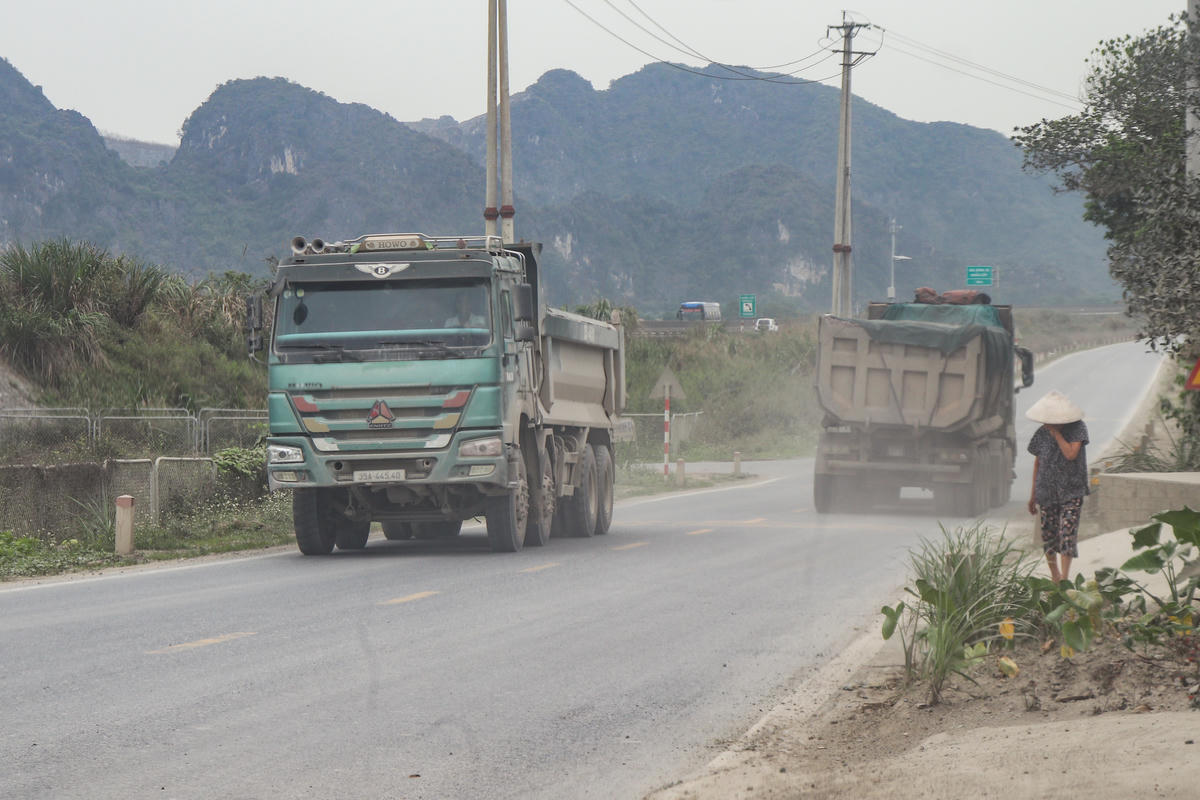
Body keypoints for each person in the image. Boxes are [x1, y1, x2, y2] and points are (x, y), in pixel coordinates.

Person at [1026, 390, 1089, 583]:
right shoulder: (1041, 433)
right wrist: (1033, 495)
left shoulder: (1078, 429)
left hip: (1072, 490)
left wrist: (1056, 434)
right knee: (1050, 536)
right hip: (1046, 491)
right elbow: (1038, 463)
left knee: (1067, 533)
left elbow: (1071, 454)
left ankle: (1065, 578)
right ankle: (1055, 577)